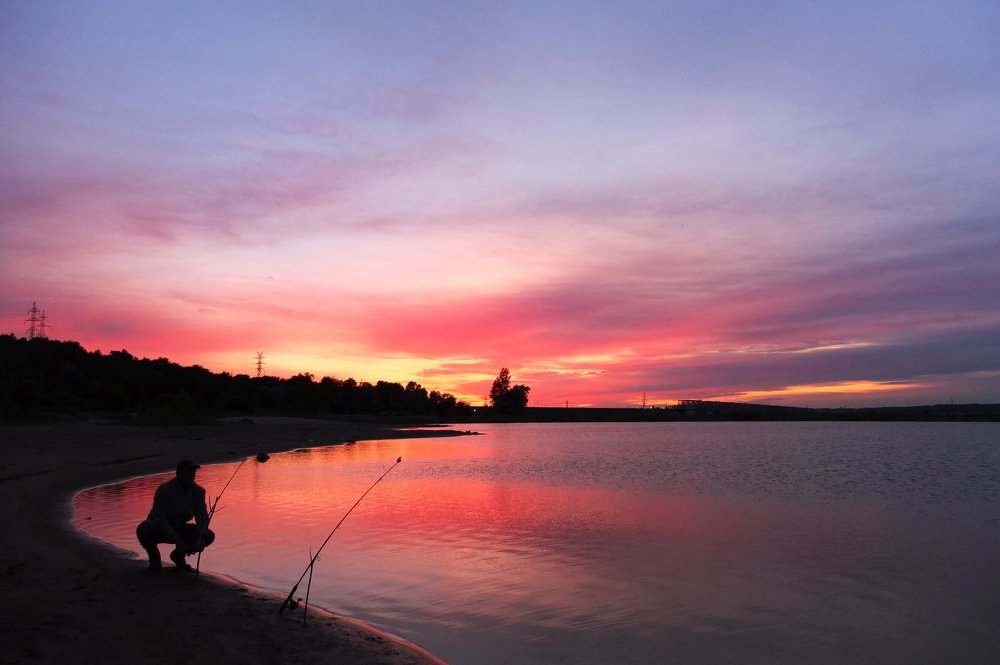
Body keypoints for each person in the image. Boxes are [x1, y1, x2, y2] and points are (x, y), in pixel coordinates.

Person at [135, 459, 215, 571]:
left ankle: (178, 556)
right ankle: (155, 560)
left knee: (208, 535)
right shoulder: (164, 489)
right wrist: (177, 540)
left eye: (193, 472)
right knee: (145, 528)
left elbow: (202, 517)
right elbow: (160, 518)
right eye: (187, 472)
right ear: (178, 474)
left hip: (180, 527)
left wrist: (200, 538)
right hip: (158, 527)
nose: (191, 475)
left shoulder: (199, 492)